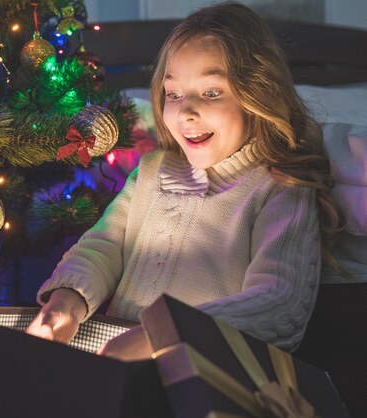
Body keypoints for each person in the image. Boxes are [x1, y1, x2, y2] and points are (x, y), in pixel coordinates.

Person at [26, 2, 345, 359]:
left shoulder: (279, 187)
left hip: (205, 380)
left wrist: (158, 336)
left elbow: (277, 302)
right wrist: (66, 301)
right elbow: (104, 246)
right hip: (116, 369)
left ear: (258, 95)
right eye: (173, 94)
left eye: (211, 92)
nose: (186, 111)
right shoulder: (151, 171)